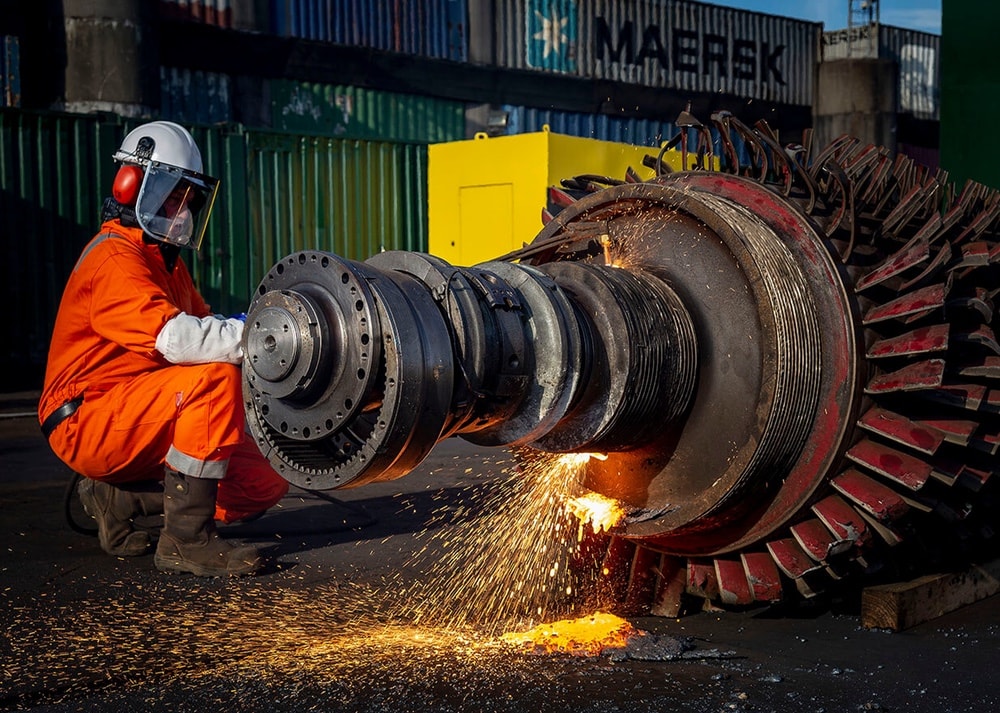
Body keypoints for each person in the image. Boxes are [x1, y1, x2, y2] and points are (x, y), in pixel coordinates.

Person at [38, 120, 288, 576]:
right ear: (132, 185)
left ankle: (120, 499)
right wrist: (263, 337)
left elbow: (206, 327)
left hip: (142, 406)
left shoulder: (166, 264)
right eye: (175, 197)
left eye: (189, 201)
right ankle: (186, 541)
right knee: (214, 380)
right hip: (86, 418)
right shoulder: (114, 258)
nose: (183, 212)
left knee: (263, 481)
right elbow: (178, 339)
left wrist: (246, 330)